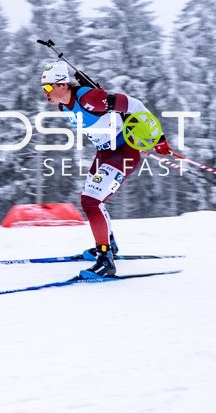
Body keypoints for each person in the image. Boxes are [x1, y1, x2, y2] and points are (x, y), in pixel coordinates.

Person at [40, 60, 172, 278]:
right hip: (105, 153)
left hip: (124, 151)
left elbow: (134, 105)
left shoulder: (90, 98)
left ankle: (105, 259)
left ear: (63, 84)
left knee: (91, 201)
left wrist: (158, 137)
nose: (45, 93)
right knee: (93, 200)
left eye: (48, 87)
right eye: (43, 88)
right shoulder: (64, 105)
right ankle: (108, 245)